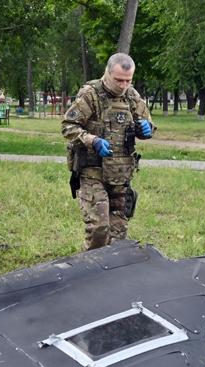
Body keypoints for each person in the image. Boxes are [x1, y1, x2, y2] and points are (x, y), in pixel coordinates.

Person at [61, 53, 155, 250]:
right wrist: (92, 140)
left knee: (119, 232)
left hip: (121, 174)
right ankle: (89, 271)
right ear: (107, 73)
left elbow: (148, 123)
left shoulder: (131, 96)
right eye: (118, 80)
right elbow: (69, 126)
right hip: (93, 170)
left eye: (128, 80)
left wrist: (147, 128)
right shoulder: (91, 94)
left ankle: (113, 275)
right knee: (99, 228)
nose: (123, 85)